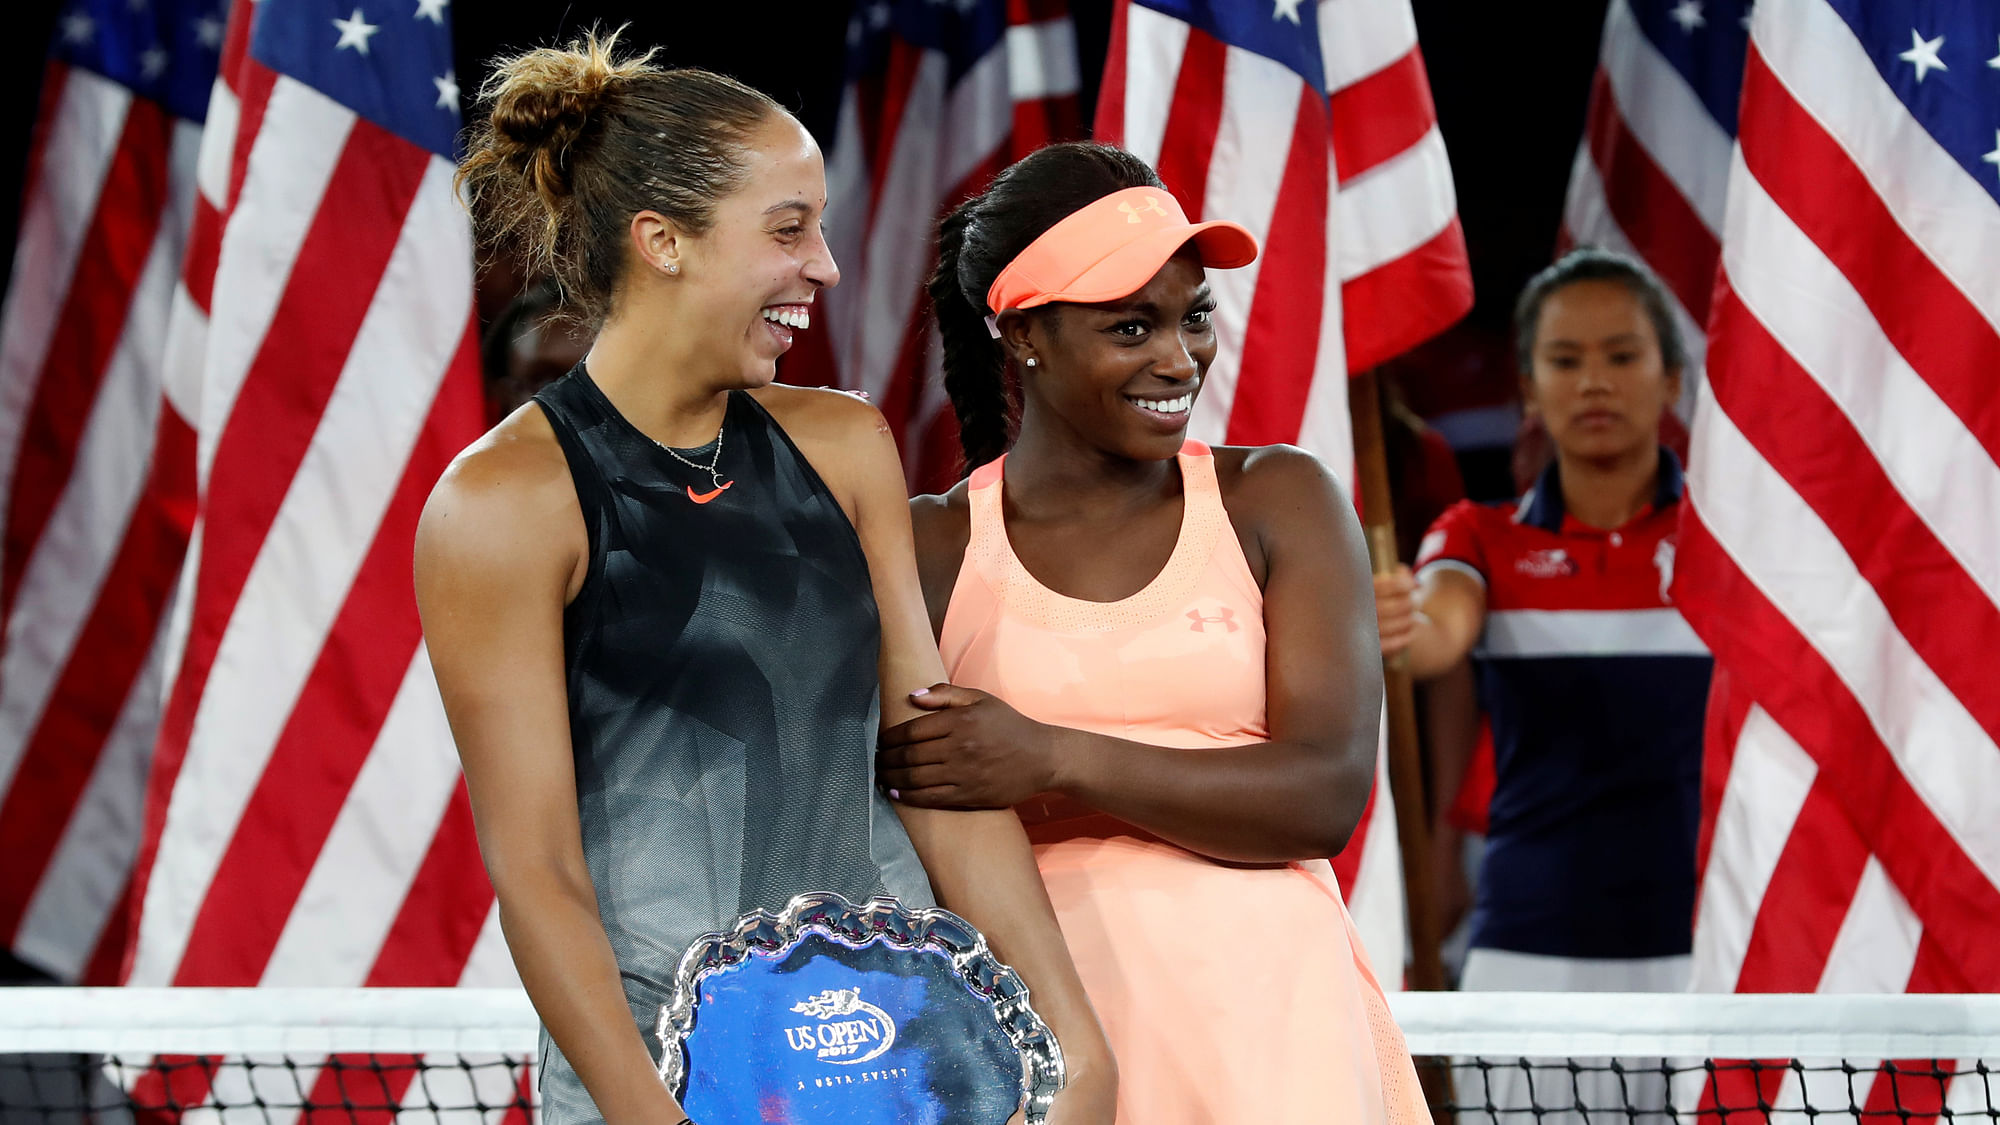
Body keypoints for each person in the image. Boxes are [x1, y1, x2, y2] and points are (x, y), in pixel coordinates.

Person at [416, 33, 1114, 1125]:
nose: (825, 266)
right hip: (657, 1080)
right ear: (662, 242)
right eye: (788, 230)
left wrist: (1075, 1045)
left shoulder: (843, 446)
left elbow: (932, 773)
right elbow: (538, 876)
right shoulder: (497, 505)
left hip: (902, 1062)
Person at [881, 142, 1428, 1125]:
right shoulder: (929, 544)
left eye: (1194, 316)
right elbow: (897, 813)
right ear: (1025, 336)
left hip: (1276, 1034)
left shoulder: (1279, 498)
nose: (1178, 359)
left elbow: (1319, 797)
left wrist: (1048, 759)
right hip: (1028, 1045)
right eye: (1131, 327)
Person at [1373, 248, 1714, 1122]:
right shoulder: (1478, 535)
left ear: (1672, 377)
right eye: (1565, 360)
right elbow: (1440, 634)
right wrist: (1402, 621)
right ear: (1529, 385)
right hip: (1529, 959)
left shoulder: (1730, 544)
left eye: (1621, 355)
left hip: (1707, 957)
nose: (1593, 381)